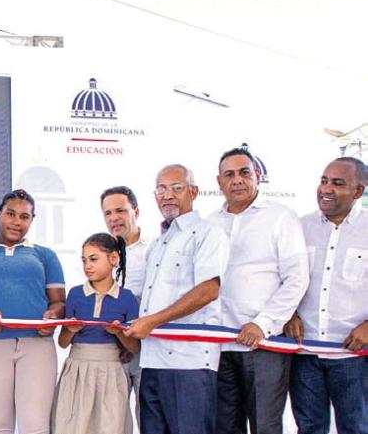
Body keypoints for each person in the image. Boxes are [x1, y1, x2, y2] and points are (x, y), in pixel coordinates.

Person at [207, 148, 309, 434]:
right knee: (224, 427)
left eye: (244, 173)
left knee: (265, 426)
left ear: (258, 176)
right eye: (230, 174)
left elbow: (297, 278)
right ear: (219, 182)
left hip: (263, 344)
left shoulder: (280, 217)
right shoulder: (209, 223)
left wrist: (262, 324)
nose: (237, 180)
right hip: (219, 344)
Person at [123, 164, 229, 434]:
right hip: (152, 359)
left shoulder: (209, 233)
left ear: (193, 191)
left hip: (189, 363)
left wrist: (153, 321)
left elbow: (208, 290)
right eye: (161, 189)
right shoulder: (157, 244)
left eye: (176, 188)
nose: (167, 195)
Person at [0, 189, 65, 434]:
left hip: (37, 345)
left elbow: (59, 303)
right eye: (11, 214)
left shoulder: (44, 255)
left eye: (24, 217)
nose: (17, 222)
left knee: (36, 427)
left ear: (31, 220)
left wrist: (53, 317)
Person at [284, 156, 367, 434]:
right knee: (308, 428)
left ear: (358, 191)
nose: (326, 189)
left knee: (356, 428)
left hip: (354, 357)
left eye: (338, 183)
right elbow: (281, 278)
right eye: (323, 181)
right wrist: (290, 313)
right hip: (304, 354)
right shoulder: (298, 226)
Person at [52, 233, 140, 434]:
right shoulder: (75, 294)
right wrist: (70, 330)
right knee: (73, 425)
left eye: (93, 259)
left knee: (110, 425)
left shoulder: (127, 298)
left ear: (113, 259)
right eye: (84, 260)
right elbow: (63, 343)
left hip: (111, 372)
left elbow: (134, 347)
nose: (87, 266)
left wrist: (118, 333)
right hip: (77, 371)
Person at [100, 185, 151, 434]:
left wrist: (132, 342)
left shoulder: (155, 249)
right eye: (108, 213)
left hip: (150, 351)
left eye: (120, 210)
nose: (114, 218)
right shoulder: (100, 255)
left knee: (149, 421)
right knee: (112, 423)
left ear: (136, 211)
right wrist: (119, 341)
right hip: (112, 352)